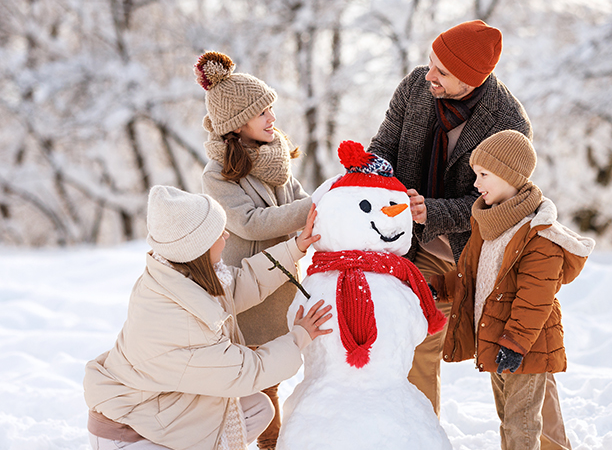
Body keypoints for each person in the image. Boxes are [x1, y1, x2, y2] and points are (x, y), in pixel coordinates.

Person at [366, 19, 573, 450]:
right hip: (417, 244)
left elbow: (499, 204)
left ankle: (552, 445)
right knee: (417, 337)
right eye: (430, 63)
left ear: (472, 78)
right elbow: (383, 147)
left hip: (483, 248)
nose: (429, 76)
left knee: (524, 359)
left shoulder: (508, 123)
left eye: (441, 71)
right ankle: (419, 438)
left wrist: (433, 211)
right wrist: (366, 174)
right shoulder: (414, 89)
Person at [83, 185, 332, 450]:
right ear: (197, 248)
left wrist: (294, 248)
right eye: (217, 232)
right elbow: (245, 371)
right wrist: (299, 336)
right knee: (248, 399)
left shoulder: (179, 276)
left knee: (258, 407)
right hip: (129, 431)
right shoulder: (179, 321)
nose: (226, 235)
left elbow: (240, 284)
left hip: (163, 406)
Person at [431, 130, 595, 450]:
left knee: (522, 424)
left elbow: (536, 297)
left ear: (509, 176)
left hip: (524, 346)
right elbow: (475, 277)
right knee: (509, 419)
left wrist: (516, 343)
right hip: (496, 340)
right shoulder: (492, 225)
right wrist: (438, 286)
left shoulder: (538, 234)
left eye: (483, 175)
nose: (476, 184)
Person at [195, 51, 313, 450]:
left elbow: (299, 200)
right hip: (251, 286)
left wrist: (326, 207)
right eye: (262, 112)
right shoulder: (217, 175)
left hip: (284, 278)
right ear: (236, 123)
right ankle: (267, 442)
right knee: (263, 375)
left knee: (278, 367)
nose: (271, 118)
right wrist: (315, 209)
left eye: (271, 109)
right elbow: (252, 222)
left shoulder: (275, 159)